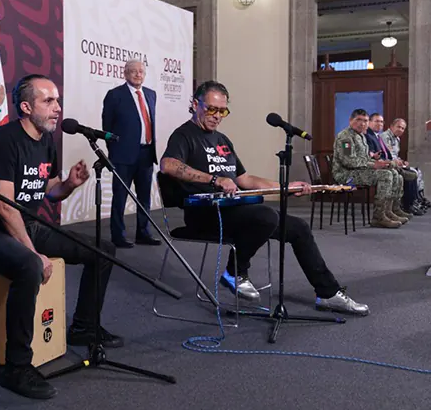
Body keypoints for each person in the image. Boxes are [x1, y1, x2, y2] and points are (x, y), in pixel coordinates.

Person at [158, 80, 368, 315]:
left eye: (223, 111)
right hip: (205, 214)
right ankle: (235, 272)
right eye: (211, 109)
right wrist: (214, 179)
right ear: (195, 104)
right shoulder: (184, 135)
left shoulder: (222, 140)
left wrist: (285, 187)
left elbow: (244, 180)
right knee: (266, 216)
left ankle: (327, 293)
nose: (217, 116)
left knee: (298, 227)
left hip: (234, 211)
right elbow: (168, 165)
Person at [0, 74, 122, 400]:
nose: (57, 108)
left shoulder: (45, 140)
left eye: (57, 100)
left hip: (27, 224)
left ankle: (84, 325)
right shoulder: (5, 140)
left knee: (103, 249)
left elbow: (49, 191)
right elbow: (4, 206)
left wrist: (68, 184)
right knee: (29, 266)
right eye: (48, 101)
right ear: (26, 107)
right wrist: (34, 253)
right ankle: (16, 366)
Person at [102, 59, 160, 248]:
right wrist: (114, 152)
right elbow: (107, 127)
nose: (137, 74)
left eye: (141, 71)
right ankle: (118, 235)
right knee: (120, 196)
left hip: (146, 153)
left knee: (144, 197)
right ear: (125, 73)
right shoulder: (115, 95)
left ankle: (143, 233)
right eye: (133, 71)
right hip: (123, 155)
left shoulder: (151, 95)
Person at [333, 109, 408, 228]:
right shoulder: (345, 137)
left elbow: (364, 158)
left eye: (365, 121)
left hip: (358, 171)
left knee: (394, 173)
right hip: (346, 175)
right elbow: (348, 161)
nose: (362, 123)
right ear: (350, 121)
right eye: (358, 120)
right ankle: (378, 217)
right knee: (386, 175)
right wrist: (373, 165)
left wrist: (381, 163)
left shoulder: (361, 136)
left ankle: (388, 212)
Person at [365, 113, 422, 216]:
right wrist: (389, 162)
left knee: (404, 175)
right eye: (377, 121)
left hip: (385, 164)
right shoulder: (369, 136)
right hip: (373, 167)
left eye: (381, 122)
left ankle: (394, 209)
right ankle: (382, 214)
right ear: (369, 122)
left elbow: (385, 154)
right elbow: (371, 156)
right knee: (400, 174)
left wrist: (397, 162)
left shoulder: (376, 136)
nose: (380, 124)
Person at [381, 118, 431, 210]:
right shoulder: (385, 136)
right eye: (398, 127)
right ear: (391, 126)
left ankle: (418, 199)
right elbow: (388, 154)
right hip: (387, 165)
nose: (400, 130)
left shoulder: (397, 139)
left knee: (417, 171)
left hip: (396, 164)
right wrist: (397, 161)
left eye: (403, 128)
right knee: (413, 174)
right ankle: (409, 203)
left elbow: (395, 155)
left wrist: (402, 161)